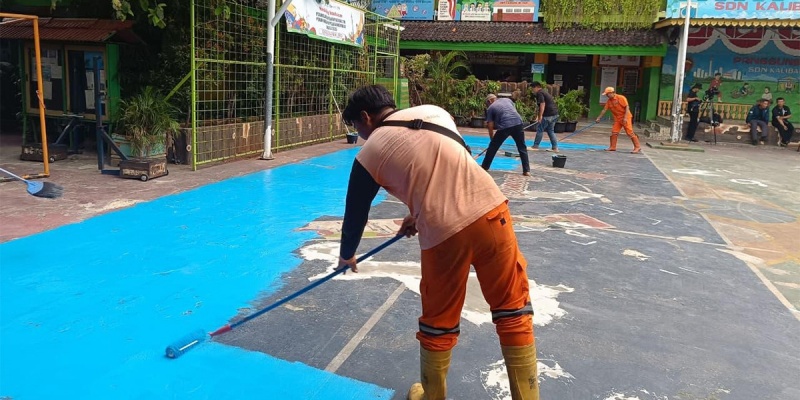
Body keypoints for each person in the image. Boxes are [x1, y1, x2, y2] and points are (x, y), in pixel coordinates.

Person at [337, 85, 539, 400]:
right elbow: (451, 166)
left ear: (365, 117)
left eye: (356, 126)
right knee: (513, 311)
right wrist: (416, 214)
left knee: (439, 321)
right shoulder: (435, 113)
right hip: (492, 213)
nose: (360, 135)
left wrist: (347, 254)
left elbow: (355, 213)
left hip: (445, 235)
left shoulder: (368, 153)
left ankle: (432, 395)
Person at [482, 94, 531, 176]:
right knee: (522, 147)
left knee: (493, 147)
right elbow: (511, 111)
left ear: (489, 101)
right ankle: (526, 171)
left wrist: (492, 139)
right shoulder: (507, 100)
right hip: (518, 123)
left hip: (505, 126)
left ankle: (485, 167)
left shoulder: (491, 108)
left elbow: (490, 125)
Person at [595, 87, 642, 153]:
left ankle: (637, 147)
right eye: (606, 94)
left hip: (626, 117)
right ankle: (612, 147)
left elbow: (627, 107)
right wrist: (598, 118)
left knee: (629, 132)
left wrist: (625, 118)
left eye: (607, 94)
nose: (607, 95)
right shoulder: (609, 101)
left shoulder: (621, 98)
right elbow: (604, 110)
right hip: (617, 119)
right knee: (614, 132)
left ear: (612, 93)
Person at [529, 81, 559, 152]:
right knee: (551, 131)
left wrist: (540, 116)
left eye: (533, 88)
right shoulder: (544, 92)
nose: (532, 90)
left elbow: (542, 104)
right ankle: (555, 148)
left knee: (540, 129)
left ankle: (535, 146)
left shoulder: (539, 93)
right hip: (554, 114)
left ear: (536, 87)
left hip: (548, 115)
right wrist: (538, 116)